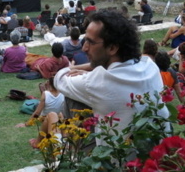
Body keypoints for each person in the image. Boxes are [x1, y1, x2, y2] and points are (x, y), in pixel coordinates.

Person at [54, 10, 169, 143]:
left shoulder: (100, 81)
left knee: (70, 99)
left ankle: (70, 150)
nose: (84, 48)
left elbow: (59, 78)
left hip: (116, 159)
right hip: (157, 153)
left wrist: (76, 68)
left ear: (112, 48)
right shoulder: (150, 66)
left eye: (90, 42)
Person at [26, 77, 65, 148]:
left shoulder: (45, 93)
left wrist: (26, 124)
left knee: (36, 105)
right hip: (58, 118)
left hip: (44, 118)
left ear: (49, 83)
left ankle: (38, 142)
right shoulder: (63, 93)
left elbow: (37, 112)